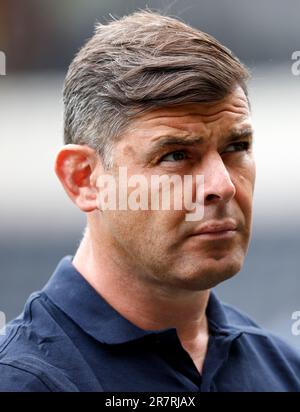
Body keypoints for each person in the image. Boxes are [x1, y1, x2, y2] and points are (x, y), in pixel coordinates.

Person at [1, 10, 300, 392]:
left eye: (236, 147)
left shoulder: (283, 370)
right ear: (84, 179)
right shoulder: (24, 381)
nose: (222, 185)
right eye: (176, 155)